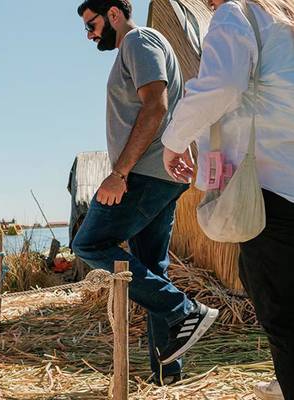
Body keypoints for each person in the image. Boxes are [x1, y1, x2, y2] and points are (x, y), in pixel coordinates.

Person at [72, 0, 219, 385]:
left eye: (92, 24)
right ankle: (167, 375)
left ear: (114, 15)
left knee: (89, 243)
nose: (90, 35)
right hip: (159, 174)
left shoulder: (139, 40)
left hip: (143, 175)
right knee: (151, 268)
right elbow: (171, 107)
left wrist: (119, 173)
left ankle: (184, 310)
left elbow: (157, 105)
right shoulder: (145, 45)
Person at [162, 0, 294, 397]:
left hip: (266, 194)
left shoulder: (237, 14)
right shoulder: (284, 22)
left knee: (283, 319)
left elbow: (222, 84)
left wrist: (174, 141)